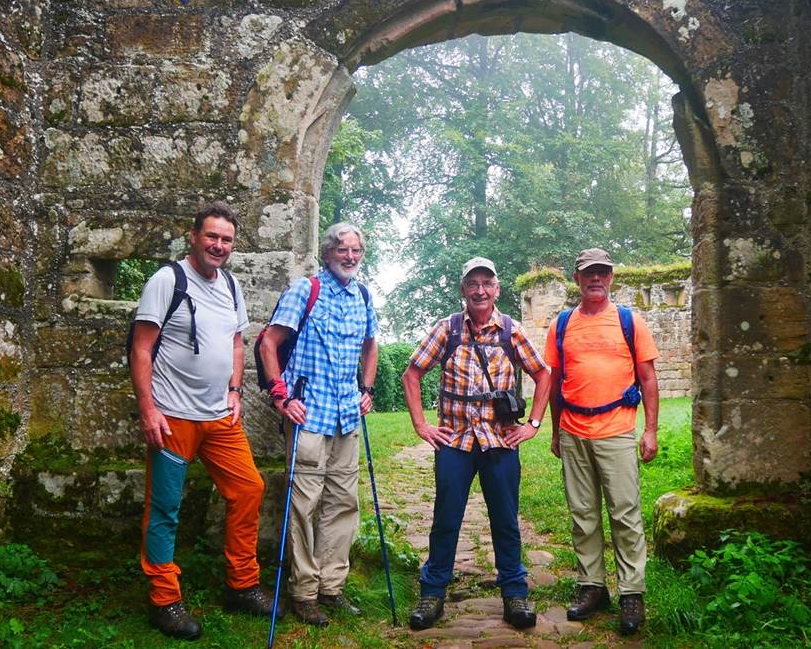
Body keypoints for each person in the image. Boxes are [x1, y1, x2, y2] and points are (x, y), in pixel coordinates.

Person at [130, 202, 280, 641]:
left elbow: (236, 343)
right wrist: (148, 410)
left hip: (220, 418)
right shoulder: (167, 280)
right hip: (173, 418)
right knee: (164, 508)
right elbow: (141, 349)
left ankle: (241, 584)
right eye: (212, 236)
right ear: (193, 236)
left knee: (249, 489)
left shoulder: (230, 284)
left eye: (227, 239)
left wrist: (234, 391)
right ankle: (164, 600)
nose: (219, 245)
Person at [401, 257, 552, 631]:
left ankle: (515, 594)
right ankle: (432, 592)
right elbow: (412, 373)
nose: (480, 290)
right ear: (463, 290)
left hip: (500, 441)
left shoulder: (511, 331)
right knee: (446, 519)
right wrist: (421, 425)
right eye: (473, 283)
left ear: (497, 289)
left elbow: (543, 373)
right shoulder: (447, 330)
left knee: (505, 520)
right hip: (454, 441)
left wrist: (533, 423)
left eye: (487, 283)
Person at [258, 222, 379, 627]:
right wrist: (281, 396)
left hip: (347, 414)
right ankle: (304, 592)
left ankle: (332, 586)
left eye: (356, 251)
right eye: (343, 250)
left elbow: (371, 343)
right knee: (305, 505)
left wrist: (368, 388)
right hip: (309, 412)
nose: (350, 257)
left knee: (343, 503)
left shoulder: (362, 295)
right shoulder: (304, 290)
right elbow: (268, 343)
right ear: (327, 253)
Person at [544, 248, 659, 636]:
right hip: (574, 431)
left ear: (611, 278)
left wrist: (651, 430)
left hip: (617, 430)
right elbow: (555, 381)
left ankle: (631, 593)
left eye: (603, 273)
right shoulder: (561, 325)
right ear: (576, 279)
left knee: (625, 514)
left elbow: (648, 378)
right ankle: (592, 586)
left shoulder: (629, 321)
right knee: (583, 514)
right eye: (588, 273)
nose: (596, 279)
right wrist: (555, 429)